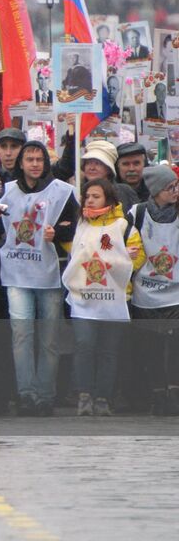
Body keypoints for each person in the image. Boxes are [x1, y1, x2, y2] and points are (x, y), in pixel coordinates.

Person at [0, 140, 77, 416]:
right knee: (21, 334)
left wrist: (60, 233)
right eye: (29, 159)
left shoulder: (63, 192)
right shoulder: (5, 191)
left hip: (49, 275)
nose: (34, 164)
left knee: (49, 338)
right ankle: (26, 394)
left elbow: (76, 226)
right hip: (16, 274)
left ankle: (46, 394)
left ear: (45, 162)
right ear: (21, 163)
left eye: (38, 159)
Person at [65, 179, 143, 416]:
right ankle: (84, 394)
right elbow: (73, 252)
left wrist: (123, 258)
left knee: (109, 351)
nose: (89, 200)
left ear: (108, 199)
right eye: (87, 196)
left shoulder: (123, 227)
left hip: (113, 299)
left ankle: (103, 397)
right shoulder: (81, 224)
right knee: (84, 345)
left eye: (96, 196)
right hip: (84, 299)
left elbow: (138, 258)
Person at [131, 165, 179, 414]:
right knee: (151, 348)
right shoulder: (138, 213)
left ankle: (174, 393)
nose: (175, 191)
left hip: (176, 294)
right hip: (146, 293)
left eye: (176, 186)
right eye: (170, 187)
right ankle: (158, 394)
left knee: (175, 349)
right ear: (156, 190)